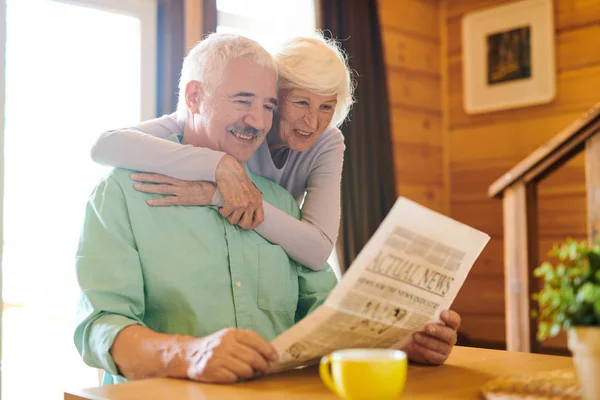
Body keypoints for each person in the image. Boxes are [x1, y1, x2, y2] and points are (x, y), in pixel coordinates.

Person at [74, 33, 337, 385]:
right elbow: (99, 327)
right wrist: (187, 354)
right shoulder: (121, 193)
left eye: (269, 107)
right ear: (194, 97)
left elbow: (330, 313)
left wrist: (402, 338)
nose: (258, 122)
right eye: (243, 100)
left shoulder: (280, 202)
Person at [90, 33, 353, 271]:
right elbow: (106, 145)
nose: (312, 122)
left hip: (265, 256)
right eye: (301, 102)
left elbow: (318, 249)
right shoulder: (228, 124)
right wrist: (218, 164)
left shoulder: (326, 142)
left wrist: (218, 195)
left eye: (326, 107)